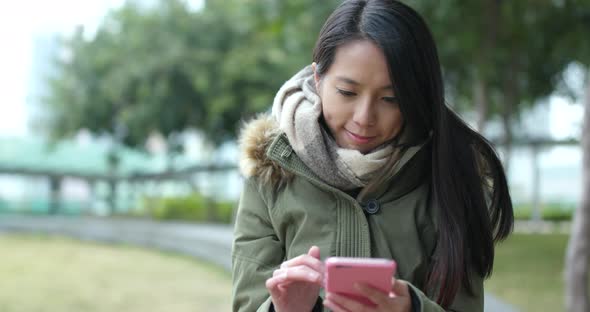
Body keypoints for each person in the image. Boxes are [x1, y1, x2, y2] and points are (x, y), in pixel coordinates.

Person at [231, 0, 514, 311]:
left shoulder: (449, 176)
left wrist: (412, 309)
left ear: (416, 96)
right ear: (318, 79)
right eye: (348, 93)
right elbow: (247, 302)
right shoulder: (271, 170)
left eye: (390, 98)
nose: (364, 117)